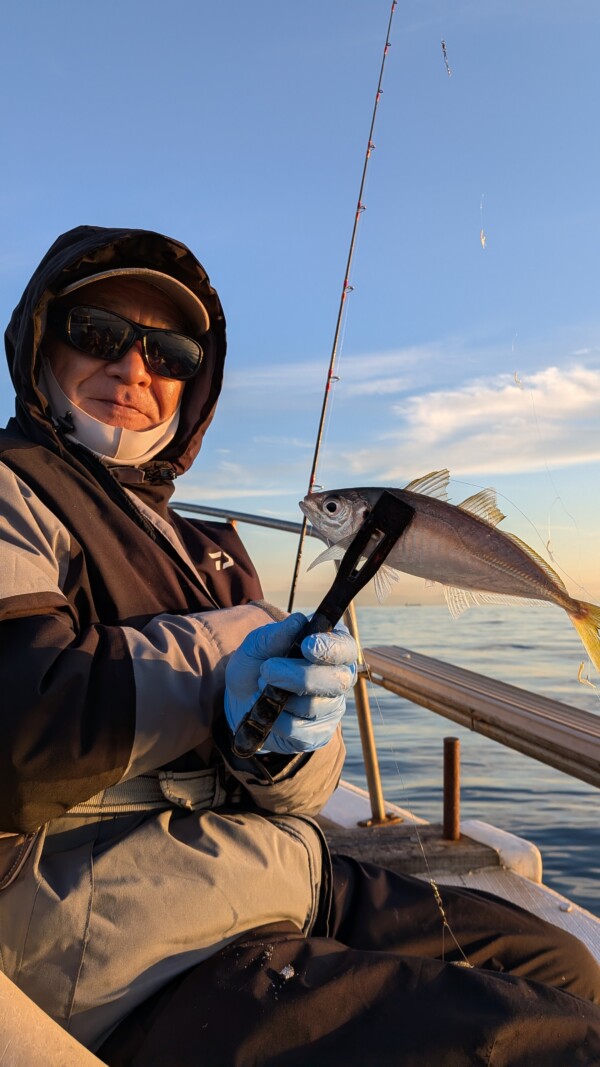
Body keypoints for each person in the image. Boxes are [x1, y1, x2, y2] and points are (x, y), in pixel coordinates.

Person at [1, 225, 599, 1067]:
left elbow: (290, 795)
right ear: (39, 340)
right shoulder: (12, 492)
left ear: (193, 386)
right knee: (560, 1047)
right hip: (129, 948)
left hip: (283, 878)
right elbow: (16, 735)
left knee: (570, 967)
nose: (135, 368)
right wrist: (223, 653)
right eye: (97, 332)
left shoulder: (209, 549)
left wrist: (285, 750)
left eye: (169, 351)